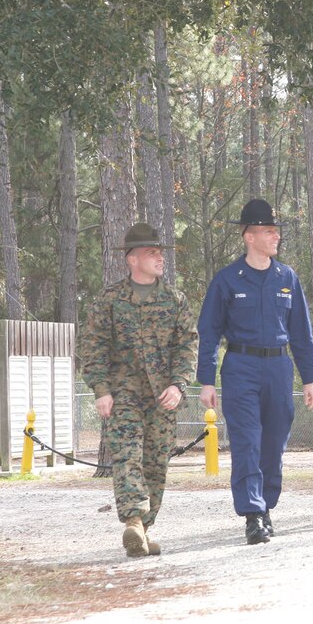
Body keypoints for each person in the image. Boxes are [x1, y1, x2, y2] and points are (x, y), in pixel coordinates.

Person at [196, 199, 313, 544]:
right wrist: (206, 380)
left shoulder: (287, 277)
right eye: (268, 231)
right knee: (247, 440)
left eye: (276, 230)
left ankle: (266, 505)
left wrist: (309, 378)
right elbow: (208, 332)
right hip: (241, 367)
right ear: (249, 236)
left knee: (274, 441)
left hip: (279, 367)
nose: (276, 236)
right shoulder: (227, 280)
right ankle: (252, 513)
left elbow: (302, 333)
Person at [79, 223, 198, 557]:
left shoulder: (174, 300)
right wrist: (101, 389)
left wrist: (178, 384)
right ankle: (132, 519)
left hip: (163, 397)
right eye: (152, 253)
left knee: (156, 464)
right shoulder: (109, 300)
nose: (160, 258)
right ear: (132, 259)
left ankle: (144, 530)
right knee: (127, 455)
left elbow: (188, 346)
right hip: (123, 395)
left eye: (160, 253)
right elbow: (93, 347)